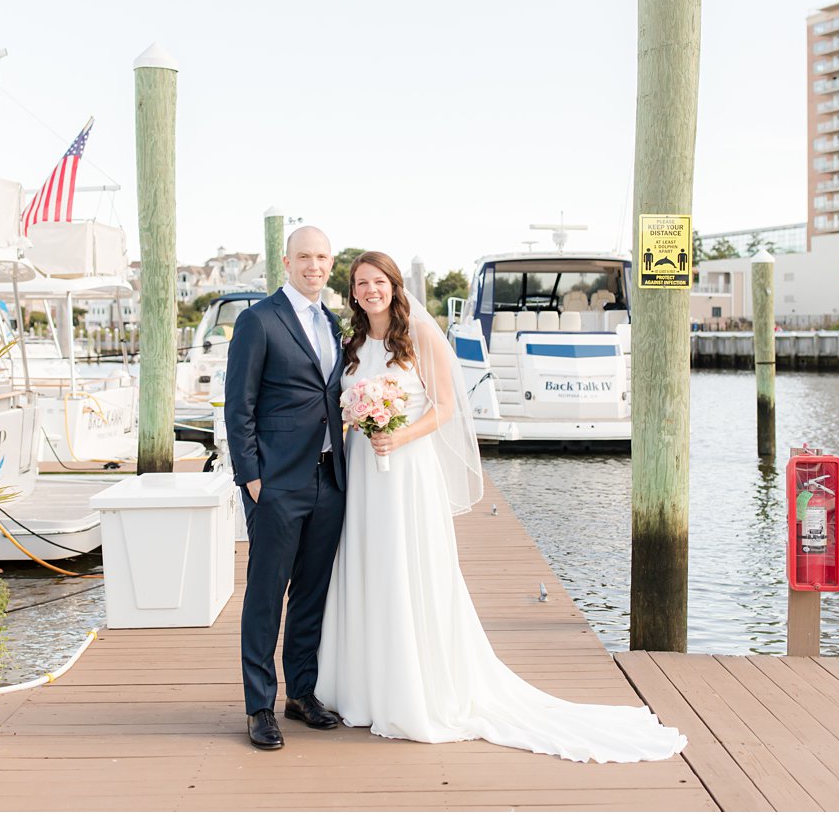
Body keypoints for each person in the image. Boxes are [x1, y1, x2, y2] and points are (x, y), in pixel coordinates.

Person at [315, 251, 687, 764]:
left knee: (408, 569)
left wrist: (398, 435)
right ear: (352, 293)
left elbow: (445, 408)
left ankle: (412, 690)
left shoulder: (421, 336)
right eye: (361, 283)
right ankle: (362, 687)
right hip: (363, 473)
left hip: (406, 472)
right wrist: (361, 422)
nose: (370, 290)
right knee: (367, 568)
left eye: (378, 281)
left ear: (394, 287)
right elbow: (343, 406)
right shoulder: (352, 345)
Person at [223, 226, 347, 751]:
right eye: (304, 257)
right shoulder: (258, 320)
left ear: (330, 262)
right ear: (286, 261)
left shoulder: (334, 324)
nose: (313, 265)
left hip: (329, 477)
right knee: (266, 594)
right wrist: (251, 476)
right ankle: (259, 706)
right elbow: (239, 404)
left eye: (321, 257)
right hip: (274, 482)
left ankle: (301, 693)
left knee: (312, 593)